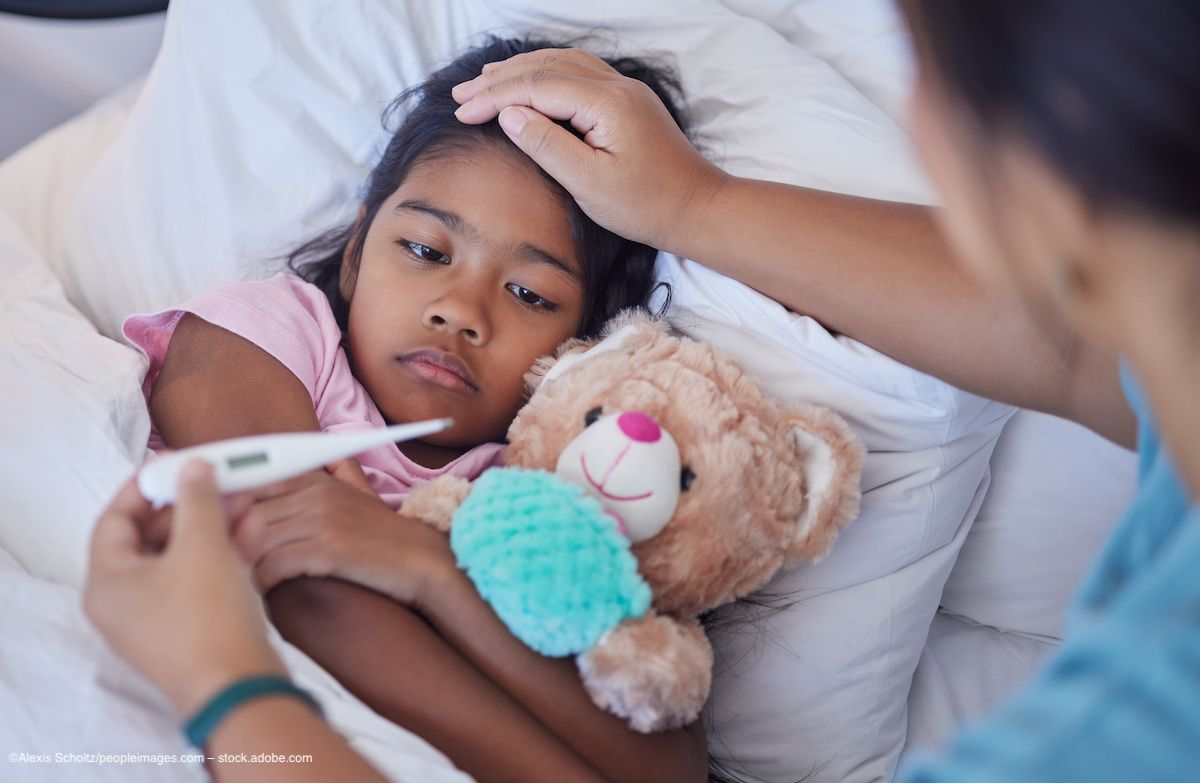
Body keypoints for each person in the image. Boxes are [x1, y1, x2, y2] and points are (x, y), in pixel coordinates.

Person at [445, 1, 1200, 780]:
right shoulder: (1159, 348)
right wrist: (690, 202)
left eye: (924, 70)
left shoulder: (1101, 743)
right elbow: (1073, 351)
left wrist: (385, 622)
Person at [107, 34, 707, 783]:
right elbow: (307, 590)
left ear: (581, 347)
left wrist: (428, 571)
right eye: (426, 250)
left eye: (529, 294)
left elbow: (666, 759)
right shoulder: (271, 335)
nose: (460, 310)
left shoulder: (559, 494)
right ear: (356, 252)